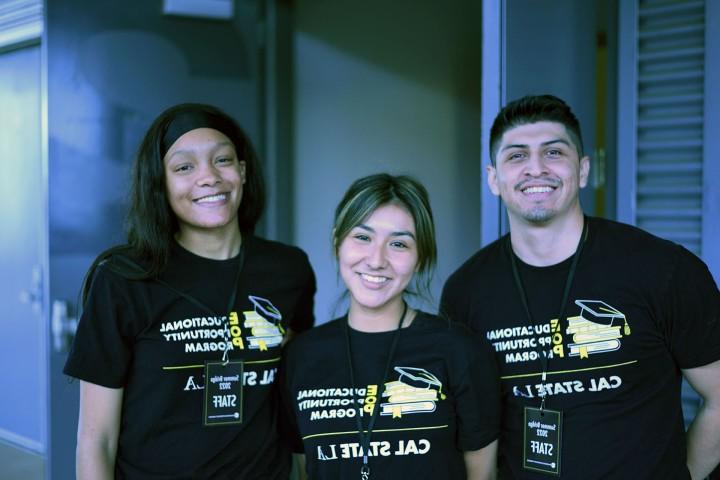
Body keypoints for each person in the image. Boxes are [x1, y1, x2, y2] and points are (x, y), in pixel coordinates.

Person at [441, 94, 720, 479]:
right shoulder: (465, 292)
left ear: (583, 170)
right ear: (494, 178)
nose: (535, 169)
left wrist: (683, 474)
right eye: (517, 156)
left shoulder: (662, 268)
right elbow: (473, 429)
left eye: (554, 152)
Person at [64, 103, 316, 479]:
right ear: (160, 183)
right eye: (184, 167)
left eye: (223, 160)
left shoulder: (288, 269)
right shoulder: (123, 280)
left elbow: (297, 402)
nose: (209, 177)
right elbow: (96, 439)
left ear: (243, 172)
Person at [280, 173, 501, 479]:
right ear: (336, 244)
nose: (376, 260)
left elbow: (482, 474)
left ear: (420, 258)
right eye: (362, 237)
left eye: (398, 244)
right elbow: (307, 471)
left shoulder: (460, 351)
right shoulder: (301, 357)